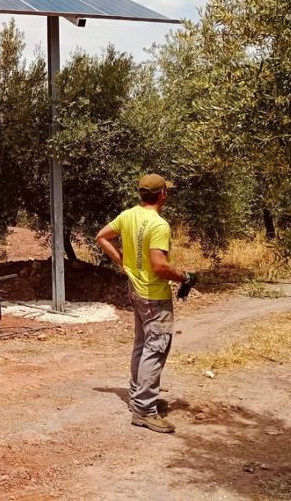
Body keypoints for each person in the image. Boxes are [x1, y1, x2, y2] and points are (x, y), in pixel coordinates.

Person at [95, 173, 195, 434]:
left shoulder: (128, 216)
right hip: (153, 294)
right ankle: (144, 410)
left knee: (142, 343)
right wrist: (185, 277)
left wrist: (123, 263)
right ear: (163, 195)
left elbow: (102, 237)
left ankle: (137, 396)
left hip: (135, 290)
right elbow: (160, 266)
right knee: (156, 347)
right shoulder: (159, 225)